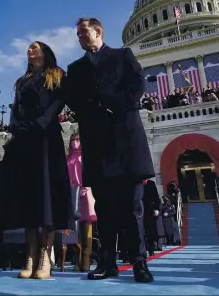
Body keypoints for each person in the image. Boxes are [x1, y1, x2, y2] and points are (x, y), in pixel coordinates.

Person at [66, 17, 154, 283]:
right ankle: (107, 263)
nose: (80, 37)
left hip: (125, 140)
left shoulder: (122, 56)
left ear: (98, 31)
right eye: (78, 34)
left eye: (84, 32)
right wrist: (92, 109)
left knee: (132, 206)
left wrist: (110, 105)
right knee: (104, 209)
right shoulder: (76, 68)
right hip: (97, 143)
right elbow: (72, 98)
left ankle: (139, 263)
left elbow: (137, 86)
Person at [0, 41, 74, 280]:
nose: (30, 49)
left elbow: (58, 102)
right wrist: (16, 128)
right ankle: (30, 254)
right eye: (28, 47)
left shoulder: (57, 75)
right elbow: (16, 108)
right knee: (29, 199)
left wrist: (41, 123)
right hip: (25, 141)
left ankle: (45, 256)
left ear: (45, 52)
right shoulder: (21, 81)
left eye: (34, 47)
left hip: (47, 138)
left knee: (47, 197)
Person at [66, 132, 97, 271]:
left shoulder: (85, 157)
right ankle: (78, 261)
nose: (75, 142)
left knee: (87, 226)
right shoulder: (68, 158)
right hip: (72, 193)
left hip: (85, 191)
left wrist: (86, 186)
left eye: (78, 139)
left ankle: (86, 259)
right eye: (73, 139)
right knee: (76, 229)